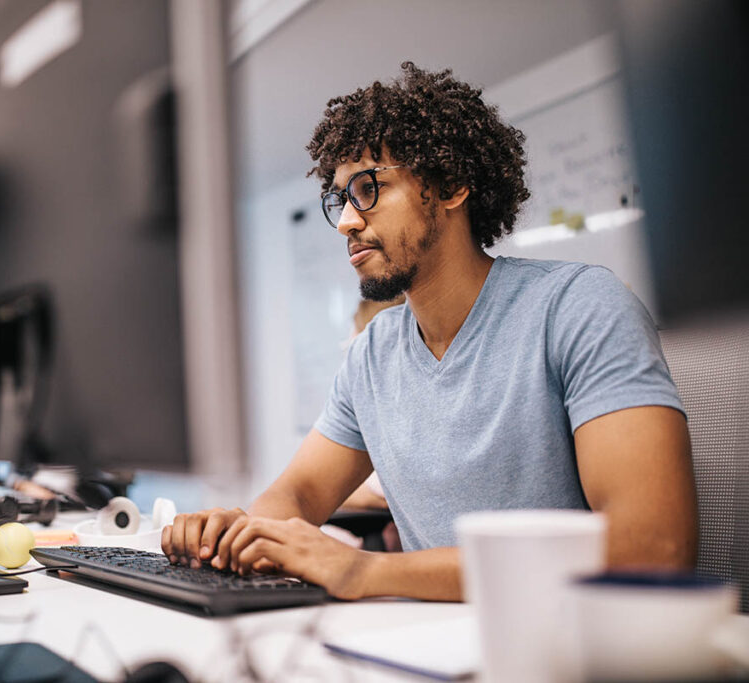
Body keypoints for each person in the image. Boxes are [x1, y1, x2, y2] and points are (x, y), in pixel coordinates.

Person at [161, 62, 696, 602]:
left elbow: (652, 550)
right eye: (340, 199)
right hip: (434, 643)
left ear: (452, 187)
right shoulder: (372, 353)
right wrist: (236, 532)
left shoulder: (579, 307)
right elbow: (298, 496)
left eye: (368, 188)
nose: (347, 220)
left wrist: (364, 571)